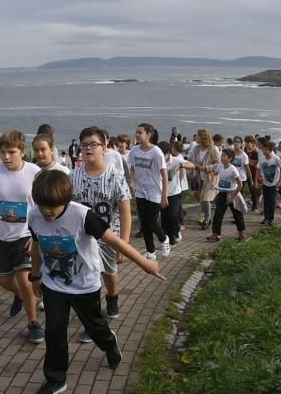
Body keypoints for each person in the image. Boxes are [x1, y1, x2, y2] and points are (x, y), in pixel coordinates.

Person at [28, 170, 165, 394]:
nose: (48, 212)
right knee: (54, 332)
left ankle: (109, 343)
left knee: (94, 326)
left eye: (54, 207)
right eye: (43, 207)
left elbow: (114, 240)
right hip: (54, 284)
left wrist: (144, 263)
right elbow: (36, 245)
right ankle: (56, 379)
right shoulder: (34, 216)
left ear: (66, 200)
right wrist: (34, 276)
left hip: (84, 285)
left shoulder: (82, 216)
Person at [0, 130, 44, 341]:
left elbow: (43, 203)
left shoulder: (34, 172)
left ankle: (33, 322)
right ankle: (20, 296)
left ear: (22, 152)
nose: (5, 157)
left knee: (25, 277)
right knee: (4, 280)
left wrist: (37, 234)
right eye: (2, 152)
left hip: (25, 235)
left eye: (11, 152)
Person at [71, 126, 133, 325]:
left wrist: (124, 243)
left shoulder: (115, 176)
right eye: (84, 145)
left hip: (109, 236)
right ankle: (93, 320)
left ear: (104, 147)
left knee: (109, 272)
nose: (89, 148)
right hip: (83, 237)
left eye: (94, 144)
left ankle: (112, 297)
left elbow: (125, 211)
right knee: (89, 277)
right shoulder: (73, 176)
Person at [129, 122, 171, 260]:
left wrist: (164, 195)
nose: (137, 134)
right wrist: (132, 183)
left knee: (151, 222)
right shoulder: (135, 150)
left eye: (140, 132)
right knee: (144, 224)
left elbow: (164, 175)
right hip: (140, 190)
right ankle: (151, 252)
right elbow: (132, 168)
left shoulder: (156, 152)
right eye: (136, 132)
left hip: (154, 191)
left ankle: (164, 239)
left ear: (148, 135)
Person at [206, 148, 247, 242]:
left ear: (230, 158)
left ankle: (241, 234)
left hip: (232, 194)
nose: (222, 157)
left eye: (224, 156)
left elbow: (240, 184)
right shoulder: (220, 166)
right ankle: (216, 235)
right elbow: (215, 173)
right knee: (217, 215)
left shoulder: (233, 170)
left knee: (237, 215)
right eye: (221, 155)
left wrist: (232, 198)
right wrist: (213, 182)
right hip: (222, 194)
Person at [159, 140, 193, 245]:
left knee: (172, 216)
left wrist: (181, 166)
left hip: (175, 194)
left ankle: (176, 231)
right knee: (164, 220)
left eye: (162, 155)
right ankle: (169, 238)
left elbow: (192, 165)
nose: (160, 157)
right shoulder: (157, 161)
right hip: (162, 194)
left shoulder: (176, 160)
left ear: (168, 153)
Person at [191, 129, 220, 229]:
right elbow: (193, 160)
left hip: (210, 177)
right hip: (199, 177)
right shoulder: (196, 149)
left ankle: (207, 219)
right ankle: (204, 216)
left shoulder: (213, 149)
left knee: (206, 198)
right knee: (200, 197)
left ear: (202, 137)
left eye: (197, 136)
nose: (196, 138)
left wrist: (206, 168)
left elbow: (218, 164)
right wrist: (195, 167)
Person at [258, 140, 281, 226]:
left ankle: (271, 218)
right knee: (266, 201)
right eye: (263, 150)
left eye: (266, 149)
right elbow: (258, 169)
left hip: (274, 183)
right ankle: (266, 218)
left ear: (270, 150)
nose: (264, 151)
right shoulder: (262, 158)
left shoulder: (276, 158)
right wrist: (256, 181)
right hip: (265, 183)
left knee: (272, 201)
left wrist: (279, 181)